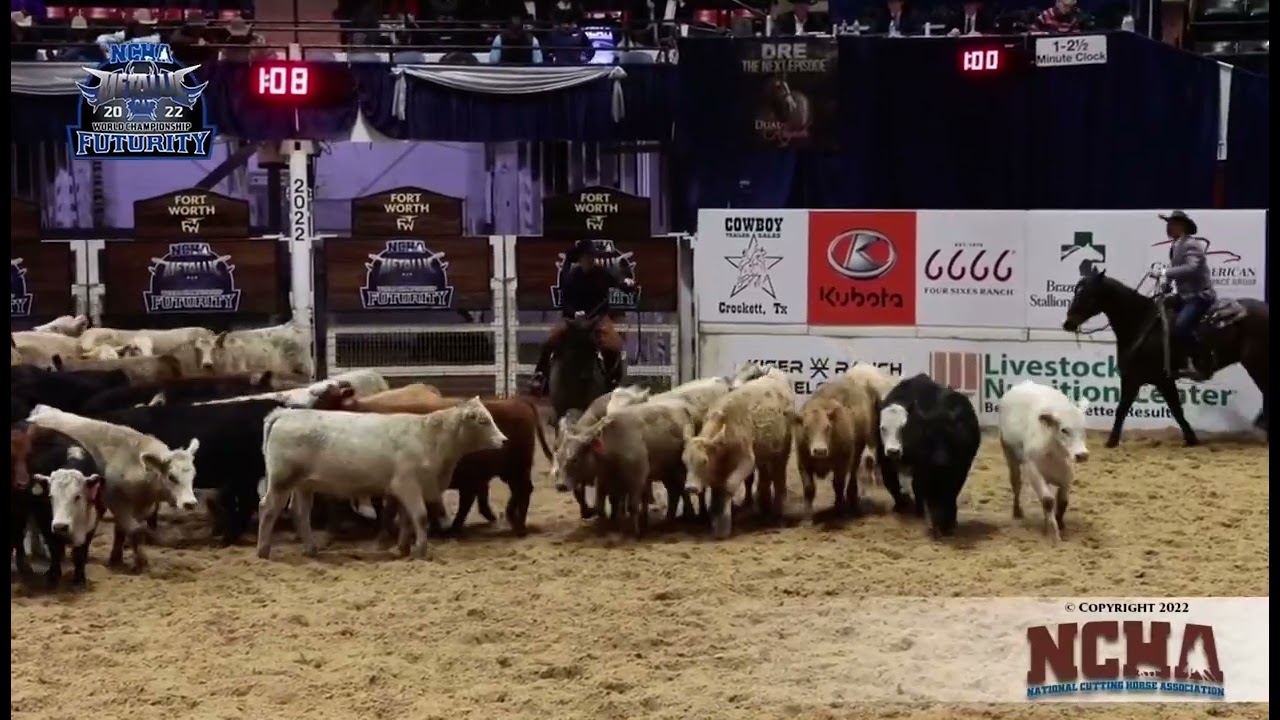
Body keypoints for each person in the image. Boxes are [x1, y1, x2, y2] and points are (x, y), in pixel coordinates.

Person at [529, 239, 634, 395]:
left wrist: (625, 282)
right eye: (586, 257)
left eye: (592, 257)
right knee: (550, 340)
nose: (590, 260)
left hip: (597, 318)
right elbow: (564, 300)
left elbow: (617, 282)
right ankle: (540, 375)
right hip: (572, 319)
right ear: (580, 259)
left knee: (612, 345)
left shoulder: (602, 274)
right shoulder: (572, 276)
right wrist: (574, 313)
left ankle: (613, 380)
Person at [1148, 210, 1215, 381]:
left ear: (1182, 226)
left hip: (1199, 296)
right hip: (1184, 296)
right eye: (1168, 224)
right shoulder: (1176, 245)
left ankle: (1199, 364)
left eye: (1172, 224)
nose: (1168, 227)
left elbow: (1192, 267)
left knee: (1181, 325)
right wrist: (1166, 284)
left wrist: (1164, 272)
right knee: (1157, 313)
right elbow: (1176, 272)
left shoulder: (1191, 245)